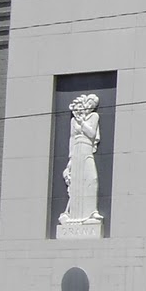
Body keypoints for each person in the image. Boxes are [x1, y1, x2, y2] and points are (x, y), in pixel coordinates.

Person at [59, 94, 103, 225]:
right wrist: (70, 161)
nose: (90, 106)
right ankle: (72, 214)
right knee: (75, 182)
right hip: (77, 150)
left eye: (93, 105)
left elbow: (92, 133)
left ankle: (92, 211)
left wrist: (82, 122)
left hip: (87, 148)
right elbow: (72, 139)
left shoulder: (94, 116)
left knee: (92, 178)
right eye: (89, 103)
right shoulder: (73, 120)